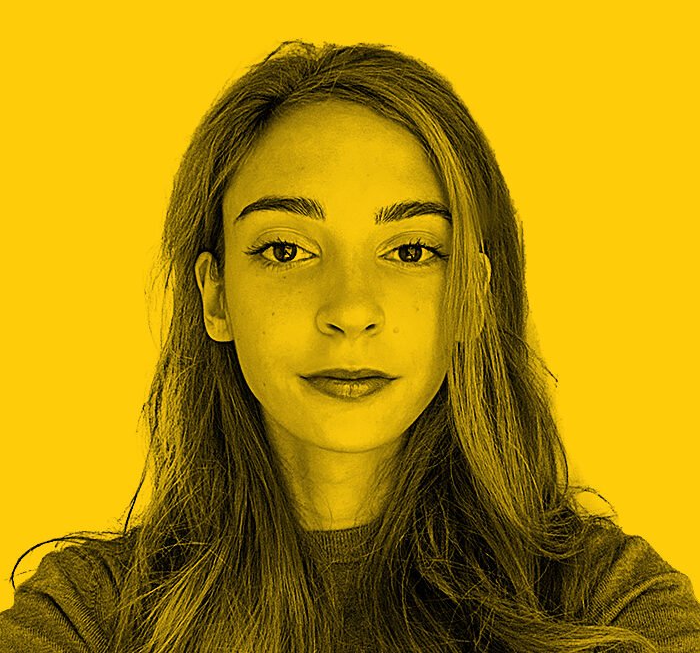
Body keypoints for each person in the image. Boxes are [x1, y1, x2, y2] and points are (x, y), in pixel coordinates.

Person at [1, 41, 698, 653]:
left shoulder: (606, 603)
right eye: (285, 249)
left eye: (411, 251)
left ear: (473, 296)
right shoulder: (92, 612)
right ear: (216, 297)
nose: (351, 310)